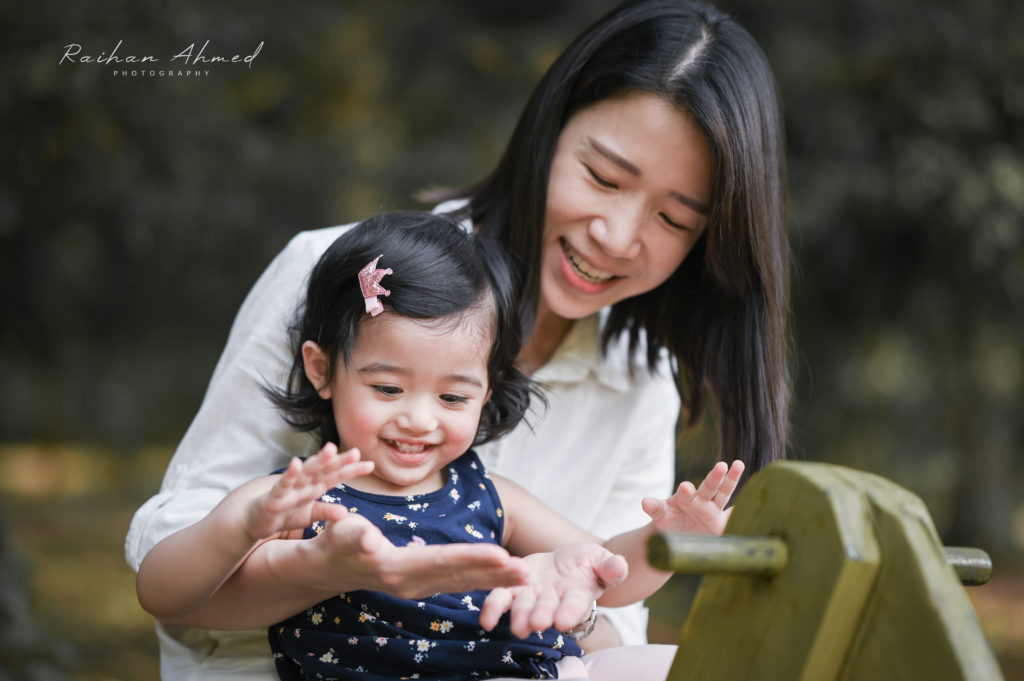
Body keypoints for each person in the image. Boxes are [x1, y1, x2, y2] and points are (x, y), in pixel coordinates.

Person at [126, 0, 790, 678]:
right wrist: (323, 571)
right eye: (602, 178)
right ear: (547, 133)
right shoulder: (341, 279)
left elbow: (609, 592)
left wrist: (581, 580)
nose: (616, 238)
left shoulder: (632, 387)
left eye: (674, 220)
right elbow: (172, 579)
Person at [135, 212, 744, 680]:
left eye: (453, 397)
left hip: (547, 669)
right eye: (387, 388)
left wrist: (666, 540)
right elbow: (165, 595)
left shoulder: (487, 493)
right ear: (322, 370)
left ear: (486, 393)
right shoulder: (303, 499)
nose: (419, 419)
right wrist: (243, 526)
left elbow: (605, 571)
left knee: (687, 667)